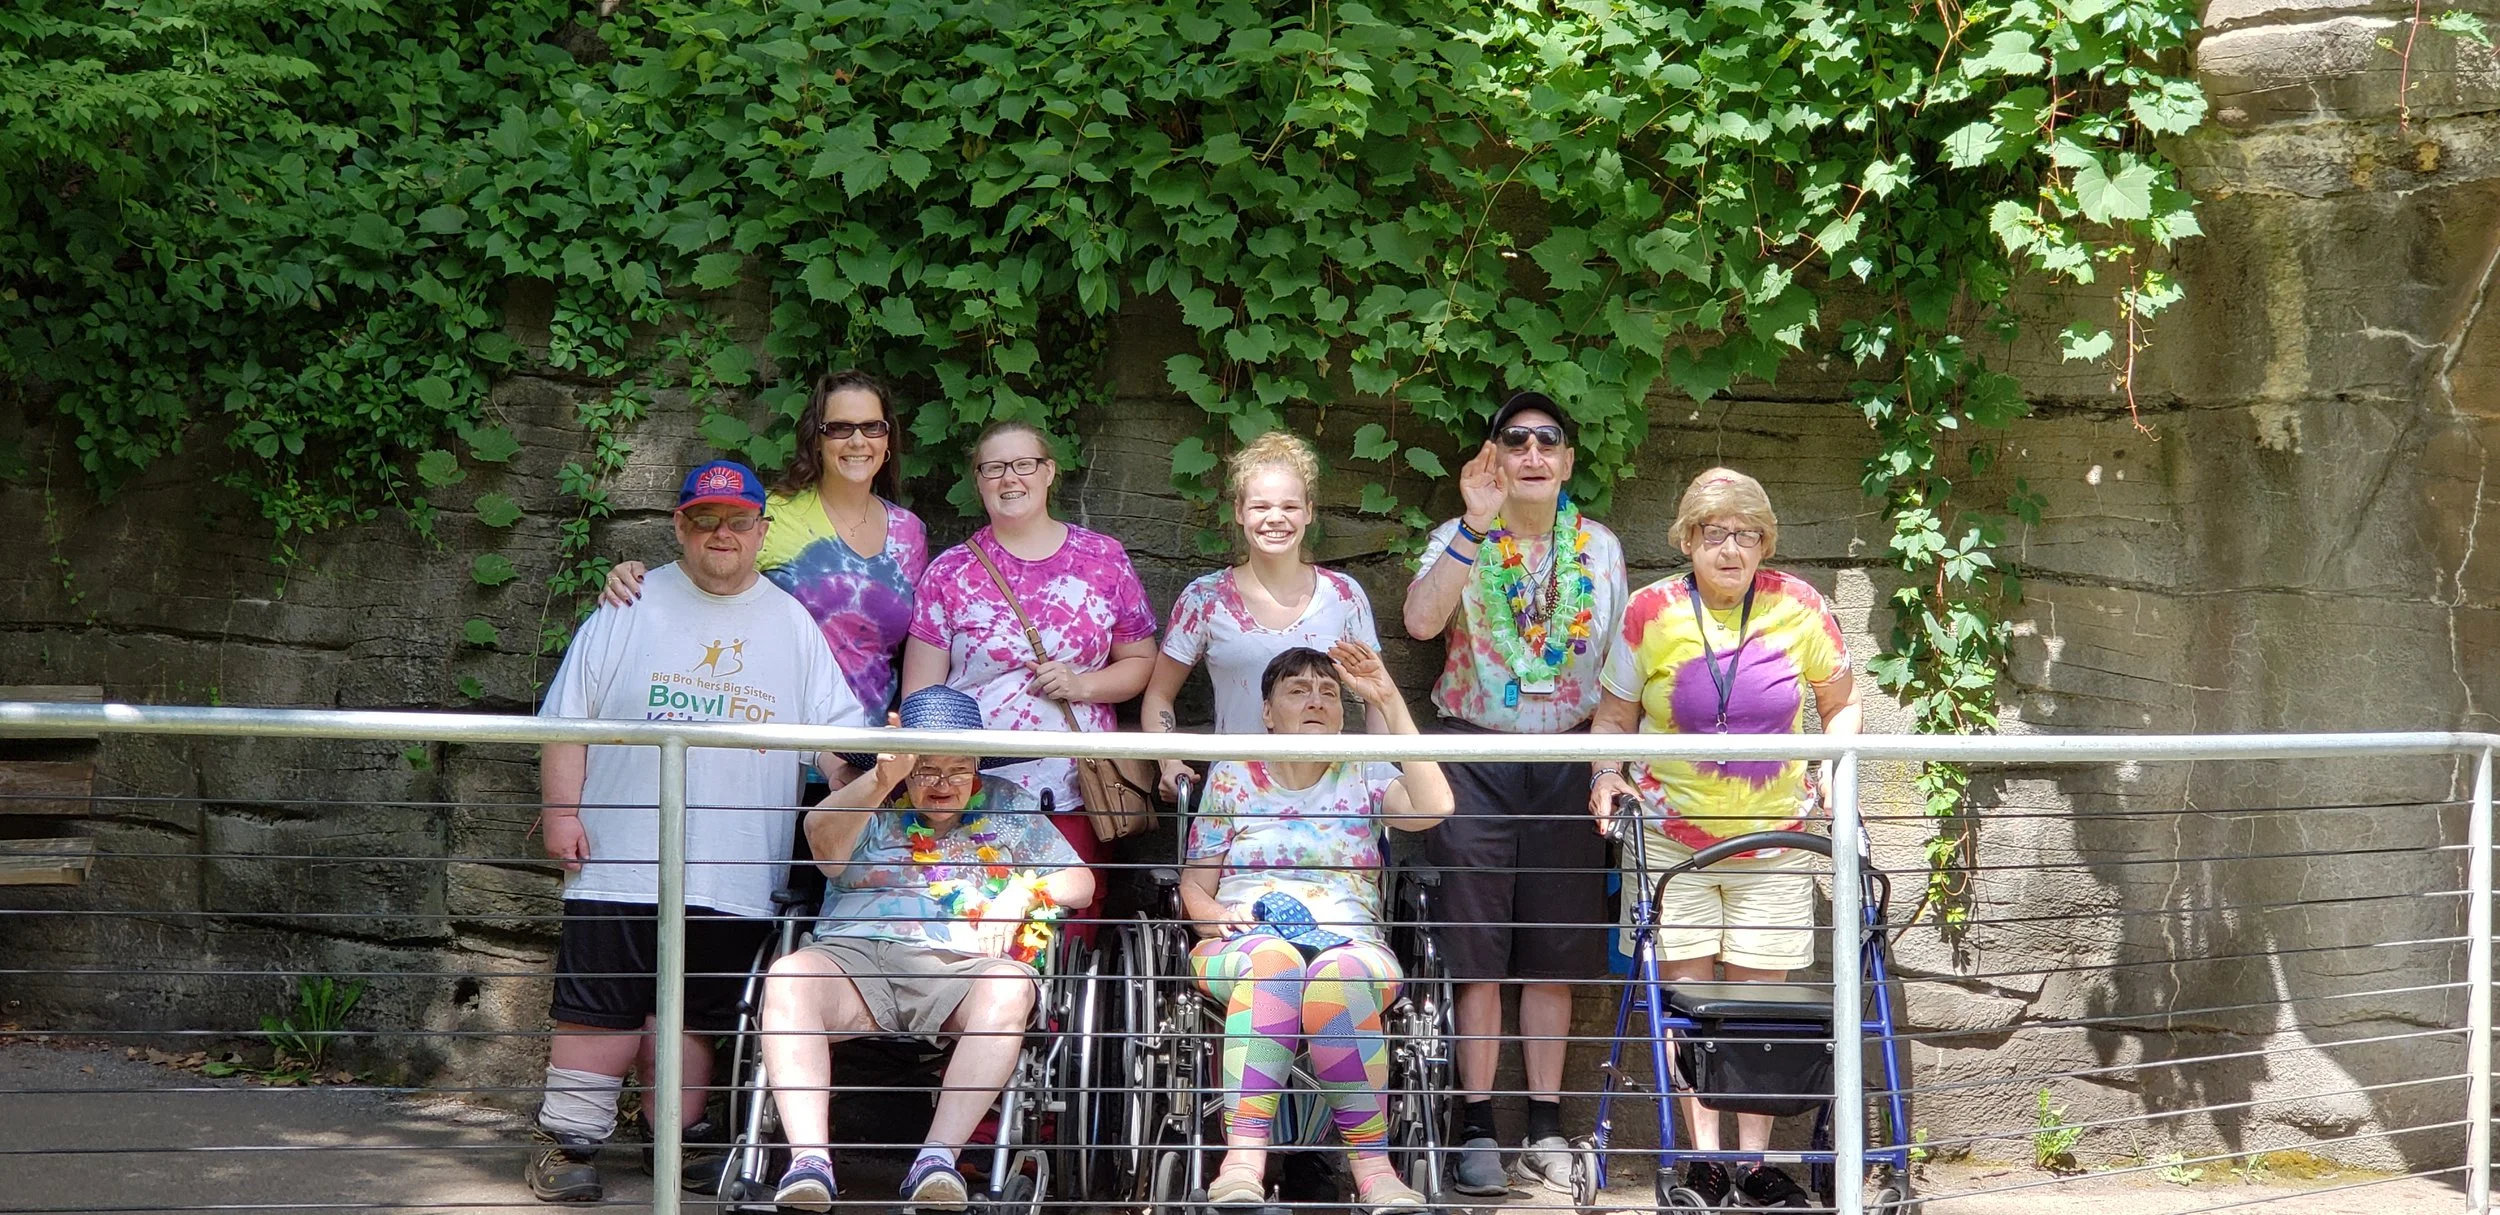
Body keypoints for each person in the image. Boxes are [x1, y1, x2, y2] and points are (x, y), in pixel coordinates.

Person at [528, 459, 866, 1204]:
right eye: (705, 519)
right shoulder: (629, 603)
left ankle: (673, 1142)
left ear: (761, 531)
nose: (722, 533)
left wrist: (872, 780)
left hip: (734, 866)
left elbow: (836, 740)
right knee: (597, 1008)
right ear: (680, 526)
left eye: (737, 521)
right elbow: (568, 717)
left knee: (689, 1016)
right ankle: (568, 1140)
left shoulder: (791, 622)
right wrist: (561, 812)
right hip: (621, 853)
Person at [1588, 467, 1863, 1211]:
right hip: (1672, 841)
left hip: (1775, 841)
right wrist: (1605, 773)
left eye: (1747, 534)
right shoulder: (1649, 611)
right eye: (1714, 533)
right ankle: (1706, 1163)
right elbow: (1613, 718)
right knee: (1690, 1006)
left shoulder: (1801, 605)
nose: (1731, 548)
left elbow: (1841, 705)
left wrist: (1835, 772)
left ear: (1766, 543)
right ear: (1688, 540)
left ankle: (1754, 1164)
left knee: (1758, 1009)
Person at [1399, 390, 1627, 1195]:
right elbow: (1420, 622)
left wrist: (1605, 767)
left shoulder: (1599, 547)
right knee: (1477, 951)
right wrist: (1473, 523)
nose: (1533, 453)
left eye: (1548, 440)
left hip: (1568, 757)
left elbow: (1620, 676)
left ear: (1567, 461)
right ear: (1492, 456)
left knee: (1555, 950)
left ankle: (1545, 1123)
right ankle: (1476, 1124)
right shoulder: (1458, 536)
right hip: (1474, 757)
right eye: (1516, 439)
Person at [759, 685, 1097, 1213]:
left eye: (958, 769)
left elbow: (1080, 883)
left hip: (964, 968)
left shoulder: (1005, 802)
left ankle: (937, 1161)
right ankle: (809, 1165)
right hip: (855, 957)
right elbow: (823, 849)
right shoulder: (871, 796)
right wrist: (882, 778)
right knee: (788, 976)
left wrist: (1020, 893)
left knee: (1010, 987)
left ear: (977, 766)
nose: (942, 784)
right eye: (926, 770)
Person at [1180, 642, 1453, 1210]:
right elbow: (1193, 888)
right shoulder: (1232, 775)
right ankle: (1243, 1163)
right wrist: (1220, 918)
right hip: (1244, 939)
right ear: (1267, 711)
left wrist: (1387, 698)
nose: (1316, 700)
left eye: (1329, 692)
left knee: (1338, 978)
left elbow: (1435, 806)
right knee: (1274, 964)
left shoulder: (1365, 771)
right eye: (1298, 690)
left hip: (1350, 941)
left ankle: (1375, 1173)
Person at [900, 420, 1158, 864]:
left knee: (1072, 903)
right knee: (974, 905)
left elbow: (1140, 660)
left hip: (1076, 789)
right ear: (979, 480)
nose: (1009, 478)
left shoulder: (1103, 559)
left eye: (1024, 464)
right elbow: (920, 697)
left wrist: (1083, 685)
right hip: (971, 793)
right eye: (994, 468)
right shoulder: (949, 573)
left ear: (1049, 471)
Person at [602, 370, 930, 719]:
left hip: (869, 740)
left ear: (887, 438)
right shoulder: (770, 516)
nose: (858, 441)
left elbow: (918, 650)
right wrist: (636, 579)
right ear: (816, 439)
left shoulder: (909, 534)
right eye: (839, 428)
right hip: (771, 728)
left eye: (872, 427)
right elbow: (700, 584)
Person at [1144, 429, 1384, 799]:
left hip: (1330, 803)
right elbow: (1159, 695)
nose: (1275, 519)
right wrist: (1169, 762)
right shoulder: (1204, 599)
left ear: (1309, 512)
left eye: (1289, 507)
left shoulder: (1344, 595)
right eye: (1260, 507)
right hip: (1234, 798)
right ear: (1239, 512)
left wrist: (1380, 774)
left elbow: (1379, 696)